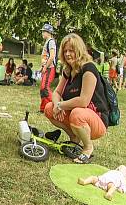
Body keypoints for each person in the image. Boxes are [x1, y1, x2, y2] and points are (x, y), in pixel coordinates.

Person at [44, 33, 109, 163]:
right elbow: (56, 93)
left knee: (77, 113)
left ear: (79, 50)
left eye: (71, 50)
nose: (68, 54)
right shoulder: (67, 70)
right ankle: (74, 137)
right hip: (78, 115)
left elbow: (83, 101)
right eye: (65, 51)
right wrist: (57, 105)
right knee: (49, 108)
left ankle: (88, 147)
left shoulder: (88, 68)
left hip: (97, 120)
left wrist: (61, 105)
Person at [39, 23, 58, 112]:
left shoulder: (51, 41)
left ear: (49, 32)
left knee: (45, 88)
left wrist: (46, 67)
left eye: (44, 32)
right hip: (46, 67)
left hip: (50, 68)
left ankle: (57, 105)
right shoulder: (47, 42)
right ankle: (43, 108)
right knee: (42, 89)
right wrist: (42, 66)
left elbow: (52, 56)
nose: (42, 33)